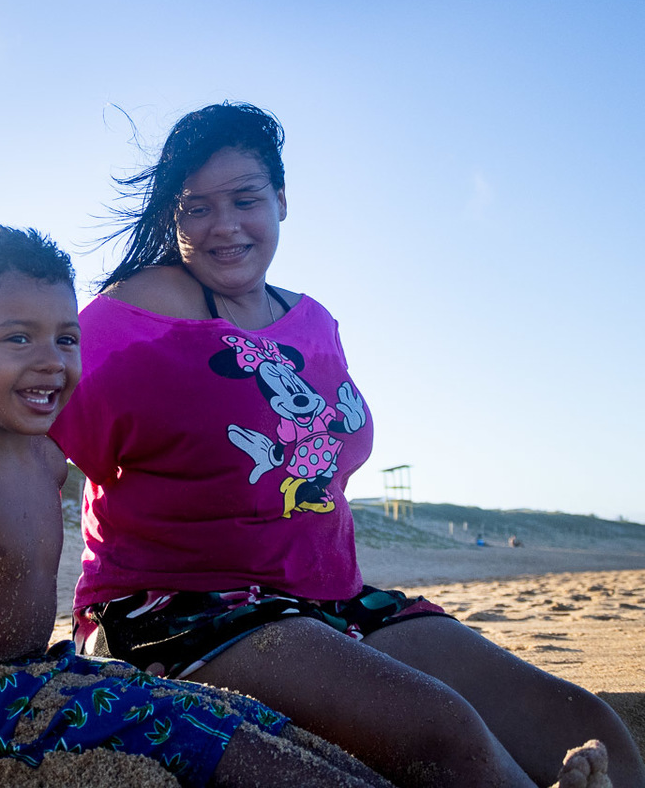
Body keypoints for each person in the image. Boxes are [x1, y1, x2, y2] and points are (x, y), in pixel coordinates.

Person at [50, 102, 639, 788]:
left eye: (245, 200)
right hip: (180, 611)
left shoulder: (313, 321)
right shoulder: (129, 322)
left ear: (281, 200)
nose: (224, 225)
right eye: (197, 209)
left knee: (584, 725)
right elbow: (31, 454)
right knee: (441, 731)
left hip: (331, 600)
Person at [0, 223, 407, 788]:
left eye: (66, 339)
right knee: (212, 743)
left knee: (241, 717)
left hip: (40, 678)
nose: (51, 361)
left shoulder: (43, 458)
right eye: (18, 339)